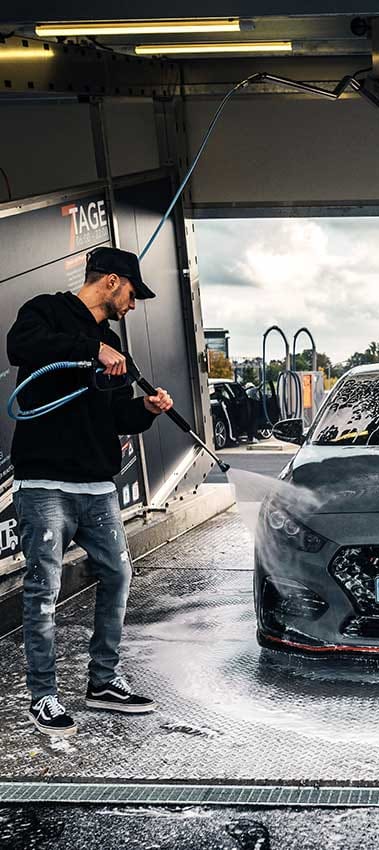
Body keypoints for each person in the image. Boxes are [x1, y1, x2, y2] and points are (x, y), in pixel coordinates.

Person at [7, 247, 174, 738]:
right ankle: (43, 696)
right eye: (132, 293)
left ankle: (103, 681)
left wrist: (146, 409)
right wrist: (91, 351)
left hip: (97, 486)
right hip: (45, 484)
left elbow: (117, 415)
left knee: (118, 575)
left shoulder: (112, 342)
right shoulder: (45, 312)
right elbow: (22, 347)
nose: (134, 304)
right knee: (44, 590)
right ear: (110, 282)